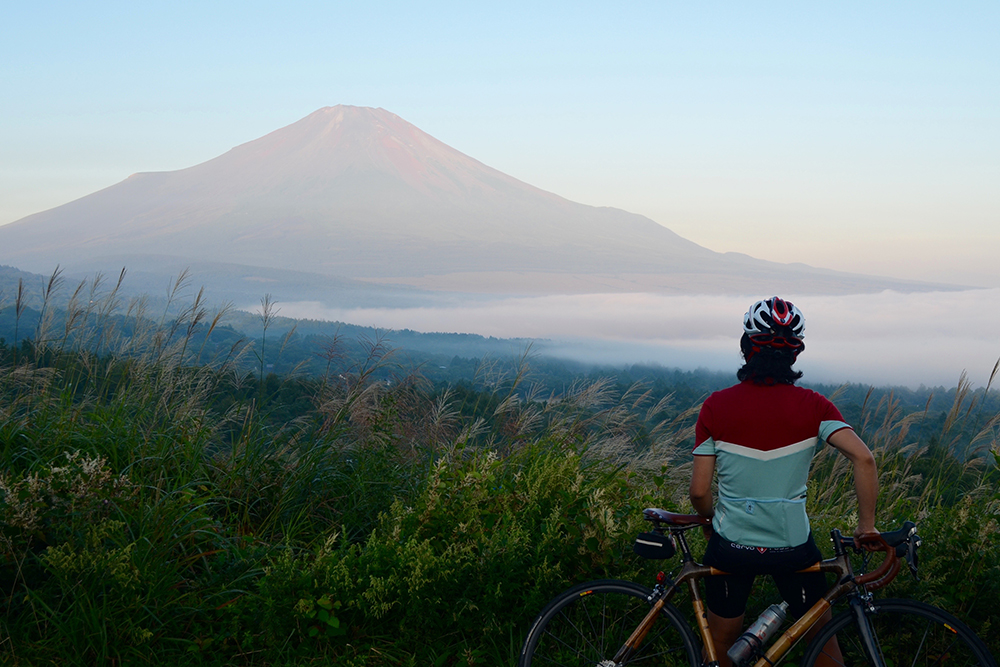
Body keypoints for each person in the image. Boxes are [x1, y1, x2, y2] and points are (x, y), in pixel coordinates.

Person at [689, 296, 878, 667]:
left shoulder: (716, 405)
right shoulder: (816, 406)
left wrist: (711, 521)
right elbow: (864, 458)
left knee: (722, 647)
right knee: (822, 641)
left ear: (746, 348)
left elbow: (698, 491)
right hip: (792, 546)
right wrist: (866, 525)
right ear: (794, 356)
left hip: (731, 544)